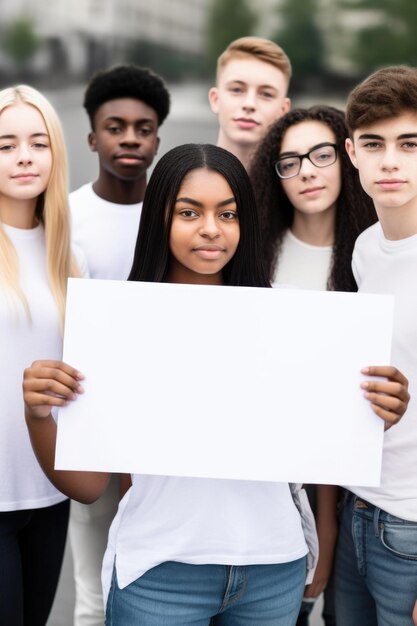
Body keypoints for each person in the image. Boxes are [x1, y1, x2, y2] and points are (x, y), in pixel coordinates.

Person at [23, 145, 408, 626]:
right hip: (160, 571)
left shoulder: (292, 318)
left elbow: (332, 444)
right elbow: (86, 486)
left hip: (273, 569)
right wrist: (38, 416)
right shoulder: (117, 325)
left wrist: (381, 410)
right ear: (159, 218)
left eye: (228, 213)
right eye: (189, 212)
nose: (211, 228)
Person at [249, 105, 393, 626]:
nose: (307, 170)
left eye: (321, 155)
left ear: (346, 157)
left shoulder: (374, 253)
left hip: (354, 478)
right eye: (289, 162)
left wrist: (326, 528)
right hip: (263, 468)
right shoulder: (253, 254)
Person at [69, 64, 170, 626]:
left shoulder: (174, 213)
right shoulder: (67, 215)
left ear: (157, 138)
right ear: (92, 138)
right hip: (90, 423)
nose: (130, 137)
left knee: (150, 584)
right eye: (115, 126)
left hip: (159, 427)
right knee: (93, 590)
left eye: (143, 127)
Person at [331, 65, 417, 626]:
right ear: (351, 153)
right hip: (358, 506)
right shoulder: (365, 247)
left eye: (409, 144)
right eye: (374, 144)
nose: (390, 160)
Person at [0, 85, 84, 625]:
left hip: (49, 491)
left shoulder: (65, 254)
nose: (25, 156)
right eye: (5, 144)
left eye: (38, 142)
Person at [209, 36, 291, 170]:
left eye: (266, 94)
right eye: (236, 90)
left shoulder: (295, 187)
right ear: (215, 99)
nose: (249, 104)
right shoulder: (178, 186)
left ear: (283, 110)